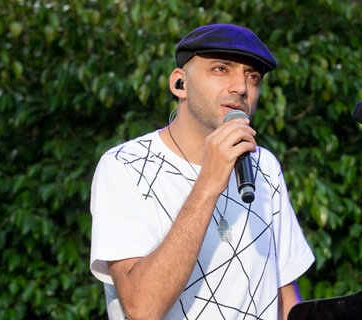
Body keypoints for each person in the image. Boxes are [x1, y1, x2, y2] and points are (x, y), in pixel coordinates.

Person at [89, 23, 315, 320]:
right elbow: (142, 308)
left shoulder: (264, 166)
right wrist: (209, 182)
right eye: (221, 69)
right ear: (179, 83)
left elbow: (284, 294)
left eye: (253, 77)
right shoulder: (124, 165)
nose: (241, 88)